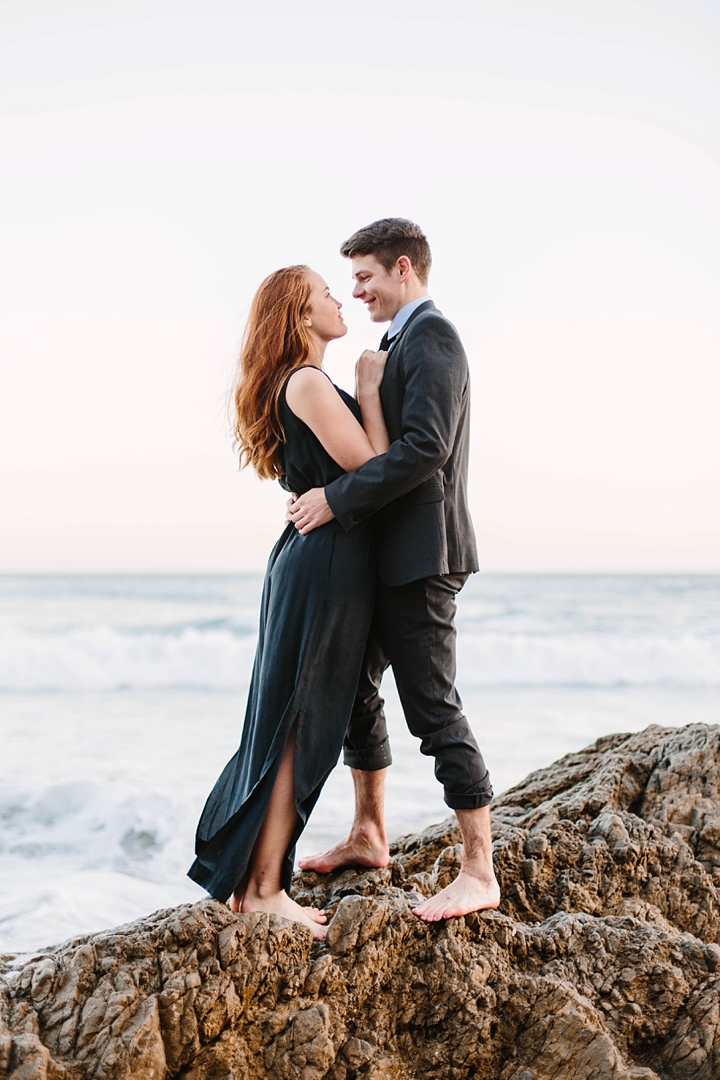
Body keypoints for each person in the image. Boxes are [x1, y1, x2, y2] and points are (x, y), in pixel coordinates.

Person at [290, 219, 501, 921]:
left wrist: (334, 500)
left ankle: (479, 871)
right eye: (348, 280)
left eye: (365, 278)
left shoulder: (432, 334)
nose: (356, 291)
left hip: (425, 556)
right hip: (390, 556)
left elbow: (426, 449)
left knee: (432, 707)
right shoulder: (393, 342)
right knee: (354, 688)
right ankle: (369, 833)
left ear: (402, 269)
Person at [188, 265, 390, 940]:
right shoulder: (306, 381)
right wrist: (368, 390)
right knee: (299, 724)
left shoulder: (292, 385)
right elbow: (374, 469)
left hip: (312, 561)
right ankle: (266, 888)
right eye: (327, 293)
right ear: (302, 316)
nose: (340, 300)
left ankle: (257, 882)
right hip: (324, 566)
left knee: (296, 719)